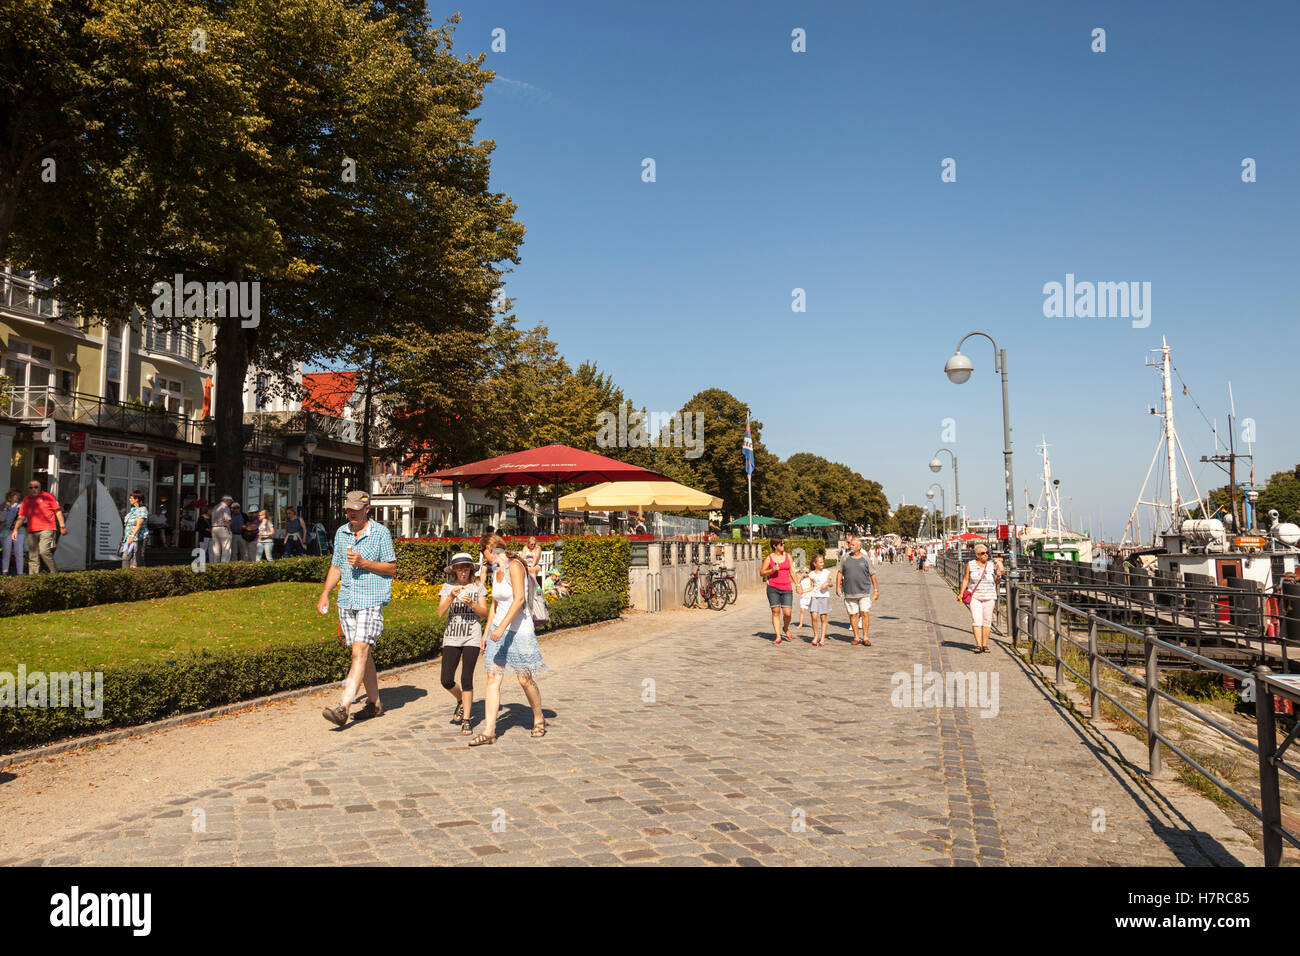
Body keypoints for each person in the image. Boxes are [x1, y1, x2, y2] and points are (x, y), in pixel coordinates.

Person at [318, 490, 397, 727]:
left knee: (359, 651)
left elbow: (391, 568)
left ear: (367, 509)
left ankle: (344, 706)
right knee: (363, 654)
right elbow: (336, 567)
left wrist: (365, 563)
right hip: (347, 600)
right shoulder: (342, 533)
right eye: (348, 509)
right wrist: (325, 594)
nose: (351, 513)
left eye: (355, 509)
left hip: (371, 599)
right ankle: (374, 704)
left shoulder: (380, 533)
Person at [468, 533, 549, 746]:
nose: (484, 558)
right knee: (493, 677)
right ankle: (489, 731)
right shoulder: (496, 569)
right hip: (498, 629)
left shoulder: (515, 566)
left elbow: (519, 599)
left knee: (524, 678)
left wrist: (503, 627)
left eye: (484, 552)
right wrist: (486, 634)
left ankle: (538, 716)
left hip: (519, 629)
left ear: (492, 549)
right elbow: (495, 605)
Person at [437, 552, 489, 736]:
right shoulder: (447, 587)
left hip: (471, 637)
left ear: (471, 569)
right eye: (460, 569)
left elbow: (485, 613)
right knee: (446, 679)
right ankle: (460, 699)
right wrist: (450, 596)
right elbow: (440, 613)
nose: (463, 572)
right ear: (454, 571)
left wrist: (472, 605)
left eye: (466, 568)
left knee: (466, 678)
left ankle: (467, 719)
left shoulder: (478, 587)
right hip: (451, 637)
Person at [11, 479, 66, 574]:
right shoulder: (26, 500)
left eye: (36, 487)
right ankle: (33, 579)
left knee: (44, 551)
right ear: (28, 489)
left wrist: (62, 526)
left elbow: (58, 511)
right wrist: (15, 529)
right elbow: (21, 516)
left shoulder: (48, 497)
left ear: (40, 488)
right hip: (31, 530)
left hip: (47, 528)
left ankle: (54, 573)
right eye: (31, 488)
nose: (33, 489)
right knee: (33, 556)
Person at [836, 533, 880, 646]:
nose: (851, 546)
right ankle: (856, 637)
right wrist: (837, 587)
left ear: (859, 546)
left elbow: (873, 574)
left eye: (853, 545)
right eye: (850, 544)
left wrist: (875, 589)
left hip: (864, 591)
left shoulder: (865, 559)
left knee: (865, 613)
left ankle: (865, 637)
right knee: (853, 615)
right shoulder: (845, 558)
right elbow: (840, 572)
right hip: (849, 592)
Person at [959, 543, 1003, 653]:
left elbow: (997, 581)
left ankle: (985, 645)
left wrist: (998, 575)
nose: (986, 555)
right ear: (977, 555)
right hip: (975, 597)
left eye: (987, 553)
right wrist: (961, 593)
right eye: (983, 553)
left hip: (989, 596)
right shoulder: (970, 564)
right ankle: (978, 645)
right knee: (977, 620)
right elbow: (966, 579)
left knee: (987, 621)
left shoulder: (992, 565)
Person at [761, 537, 797, 644]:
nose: (783, 545)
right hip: (773, 588)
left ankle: (785, 628)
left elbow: (792, 572)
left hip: (786, 588)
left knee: (787, 613)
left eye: (783, 543)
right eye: (781, 544)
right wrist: (772, 570)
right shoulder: (769, 558)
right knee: (775, 612)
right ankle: (777, 636)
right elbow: (762, 572)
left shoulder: (788, 556)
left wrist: (798, 584)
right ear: (774, 546)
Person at [806, 552, 833, 646]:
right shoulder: (811, 574)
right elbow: (811, 586)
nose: (822, 564)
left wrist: (827, 584)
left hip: (824, 597)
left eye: (823, 562)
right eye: (820, 562)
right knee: (814, 617)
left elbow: (831, 583)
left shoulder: (827, 572)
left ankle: (822, 639)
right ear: (815, 563)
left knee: (823, 618)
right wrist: (803, 591)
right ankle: (816, 636)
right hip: (814, 596)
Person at [121, 490, 150, 569]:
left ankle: (140, 576)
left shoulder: (143, 509)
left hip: (139, 538)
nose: (129, 499)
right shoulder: (132, 510)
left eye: (131, 498)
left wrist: (132, 536)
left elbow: (139, 524)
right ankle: (125, 575)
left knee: (137, 558)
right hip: (128, 538)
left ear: (136, 499)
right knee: (125, 557)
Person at [1, 490, 22, 575]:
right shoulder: (3, 506)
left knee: (19, 552)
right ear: (10, 497)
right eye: (16, 495)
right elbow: (2, 519)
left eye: (18, 495)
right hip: (7, 531)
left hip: (19, 531)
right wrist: (6, 508)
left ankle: (20, 573)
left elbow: (24, 519)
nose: (18, 497)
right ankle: (4, 572)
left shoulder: (21, 506)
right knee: (6, 551)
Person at [211, 495, 233, 563]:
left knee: (216, 549)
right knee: (226, 548)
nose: (230, 503)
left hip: (214, 528)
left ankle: (215, 564)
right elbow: (227, 520)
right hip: (222, 528)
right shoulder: (225, 507)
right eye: (230, 501)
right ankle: (224, 565)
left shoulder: (215, 507)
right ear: (226, 500)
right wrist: (229, 530)